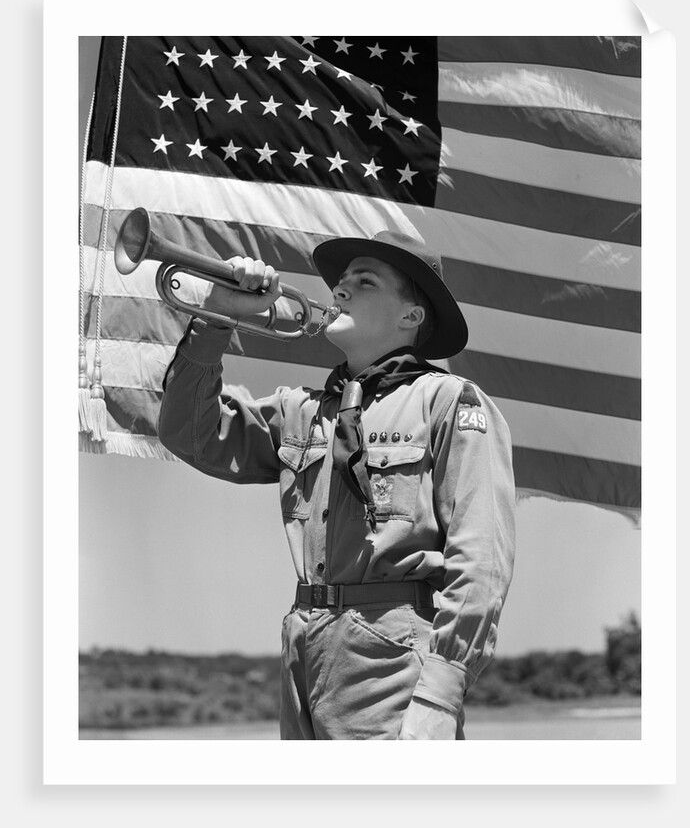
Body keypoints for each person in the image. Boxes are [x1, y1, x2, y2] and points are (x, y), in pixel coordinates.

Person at [157, 230, 516, 740]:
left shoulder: (448, 402)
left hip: (391, 657)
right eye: (341, 281)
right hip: (302, 647)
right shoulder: (301, 410)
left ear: (411, 316)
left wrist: (442, 691)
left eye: (364, 282)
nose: (340, 290)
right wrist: (217, 316)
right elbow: (188, 434)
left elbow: (481, 559)